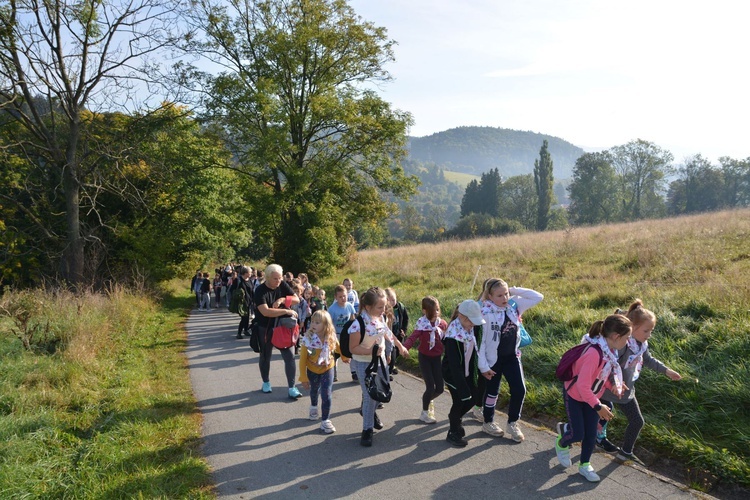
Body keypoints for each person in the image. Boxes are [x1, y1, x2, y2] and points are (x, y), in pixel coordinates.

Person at [596, 300, 682, 465]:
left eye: (651, 330)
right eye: (646, 330)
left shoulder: (641, 344)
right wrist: (614, 383)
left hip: (626, 390)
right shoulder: (621, 344)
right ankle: (582, 434)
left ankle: (625, 452)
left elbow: (648, 360)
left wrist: (667, 371)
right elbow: (610, 364)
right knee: (601, 415)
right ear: (633, 327)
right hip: (609, 389)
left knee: (636, 421)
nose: (649, 334)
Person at [555, 314, 632, 483]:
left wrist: (610, 386)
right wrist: (598, 407)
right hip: (575, 396)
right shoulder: (593, 353)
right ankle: (561, 443)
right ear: (615, 336)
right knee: (577, 433)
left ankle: (584, 465)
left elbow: (598, 377)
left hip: (591, 397)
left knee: (591, 434)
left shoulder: (608, 352)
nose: (628, 341)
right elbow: (583, 386)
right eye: (627, 338)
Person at [477, 278, 543, 442]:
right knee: (492, 392)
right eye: (499, 295)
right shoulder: (485, 312)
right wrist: (484, 366)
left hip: (512, 356)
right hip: (494, 360)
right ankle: (488, 422)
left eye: (506, 294)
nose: (504, 298)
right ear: (490, 297)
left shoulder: (514, 306)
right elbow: (481, 343)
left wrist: (513, 290)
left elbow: (538, 297)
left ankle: (513, 422)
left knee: (519, 390)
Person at [346, 287, 409, 447]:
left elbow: (388, 334)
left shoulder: (380, 318)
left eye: (384, 306)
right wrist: (370, 351)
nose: (383, 310)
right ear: (368, 307)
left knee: (379, 393)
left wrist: (400, 346)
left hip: (380, 362)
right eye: (380, 307)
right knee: (369, 396)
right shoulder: (357, 324)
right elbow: (353, 349)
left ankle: (369, 413)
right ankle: (367, 430)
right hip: (363, 363)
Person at [254, 264, 302, 399]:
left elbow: (296, 299)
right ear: (268, 278)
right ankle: (266, 382)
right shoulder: (260, 291)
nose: (278, 281)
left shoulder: (282, 285)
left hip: (283, 327)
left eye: (280, 278)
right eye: (275, 279)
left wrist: (282, 299)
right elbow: (266, 312)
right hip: (265, 327)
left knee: (290, 357)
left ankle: (292, 387)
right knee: (265, 356)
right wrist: (286, 310)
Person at [442, 300, 486, 447]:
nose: (474, 324)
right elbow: (454, 365)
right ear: (462, 316)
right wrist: (462, 387)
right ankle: (453, 432)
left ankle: (455, 419)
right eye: (471, 321)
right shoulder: (453, 336)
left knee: (474, 397)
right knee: (460, 401)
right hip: (453, 375)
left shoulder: (470, 328)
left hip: (468, 372)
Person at [402, 296, 447, 424]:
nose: (436, 314)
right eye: (432, 312)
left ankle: (428, 399)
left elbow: (448, 338)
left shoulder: (442, 324)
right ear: (424, 311)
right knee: (430, 387)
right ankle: (424, 413)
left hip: (437, 358)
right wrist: (405, 348)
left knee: (440, 388)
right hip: (425, 358)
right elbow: (412, 337)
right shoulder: (422, 324)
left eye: (438, 310)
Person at [299, 310, 343, 434]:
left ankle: (325, 421)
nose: (313, 324)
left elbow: (338, 347)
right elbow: (302, 359)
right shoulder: (307, 339)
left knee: (326, 393)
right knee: (314, 390)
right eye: (312, 321)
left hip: (328, 368)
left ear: (326, 325)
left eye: (317, 322)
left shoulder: (331, 337)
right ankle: (313, 406)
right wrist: (303, 377)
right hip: (312, 370)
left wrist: (345, 356)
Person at [327, 285, 356, 382]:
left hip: (347, 335)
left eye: (344, 296)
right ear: (336, 297)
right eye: (340, 297)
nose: (343, 298)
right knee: (335, 355)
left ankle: (354, 373)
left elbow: (352, 320)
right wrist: (331, 335)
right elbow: (329, 323)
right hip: (336, 334)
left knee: (351, 353)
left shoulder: (350, 306)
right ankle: (333, 374)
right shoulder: (332, 309)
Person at [384, 288, 409, 376]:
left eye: (393, 299)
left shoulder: (400, 307)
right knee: (391, 352)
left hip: (398, 334)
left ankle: (392, 365)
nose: (391, 302)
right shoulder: (384, 310)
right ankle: (388, 370)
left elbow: (405, 319)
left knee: (397, 351)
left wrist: (403, 329)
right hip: (388, 335)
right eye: (389, 300)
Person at [235, 266, 255, 339]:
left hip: (249, 302)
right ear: (245, 273)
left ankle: (246, 330)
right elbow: (235, 291)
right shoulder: (239, 281)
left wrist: (254, 300)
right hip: (242, 303)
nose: (251, 273)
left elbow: (252, 290)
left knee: (247, 318)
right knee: (244, 318)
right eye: (250, 272)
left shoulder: (249, 280)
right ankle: (239, 333)